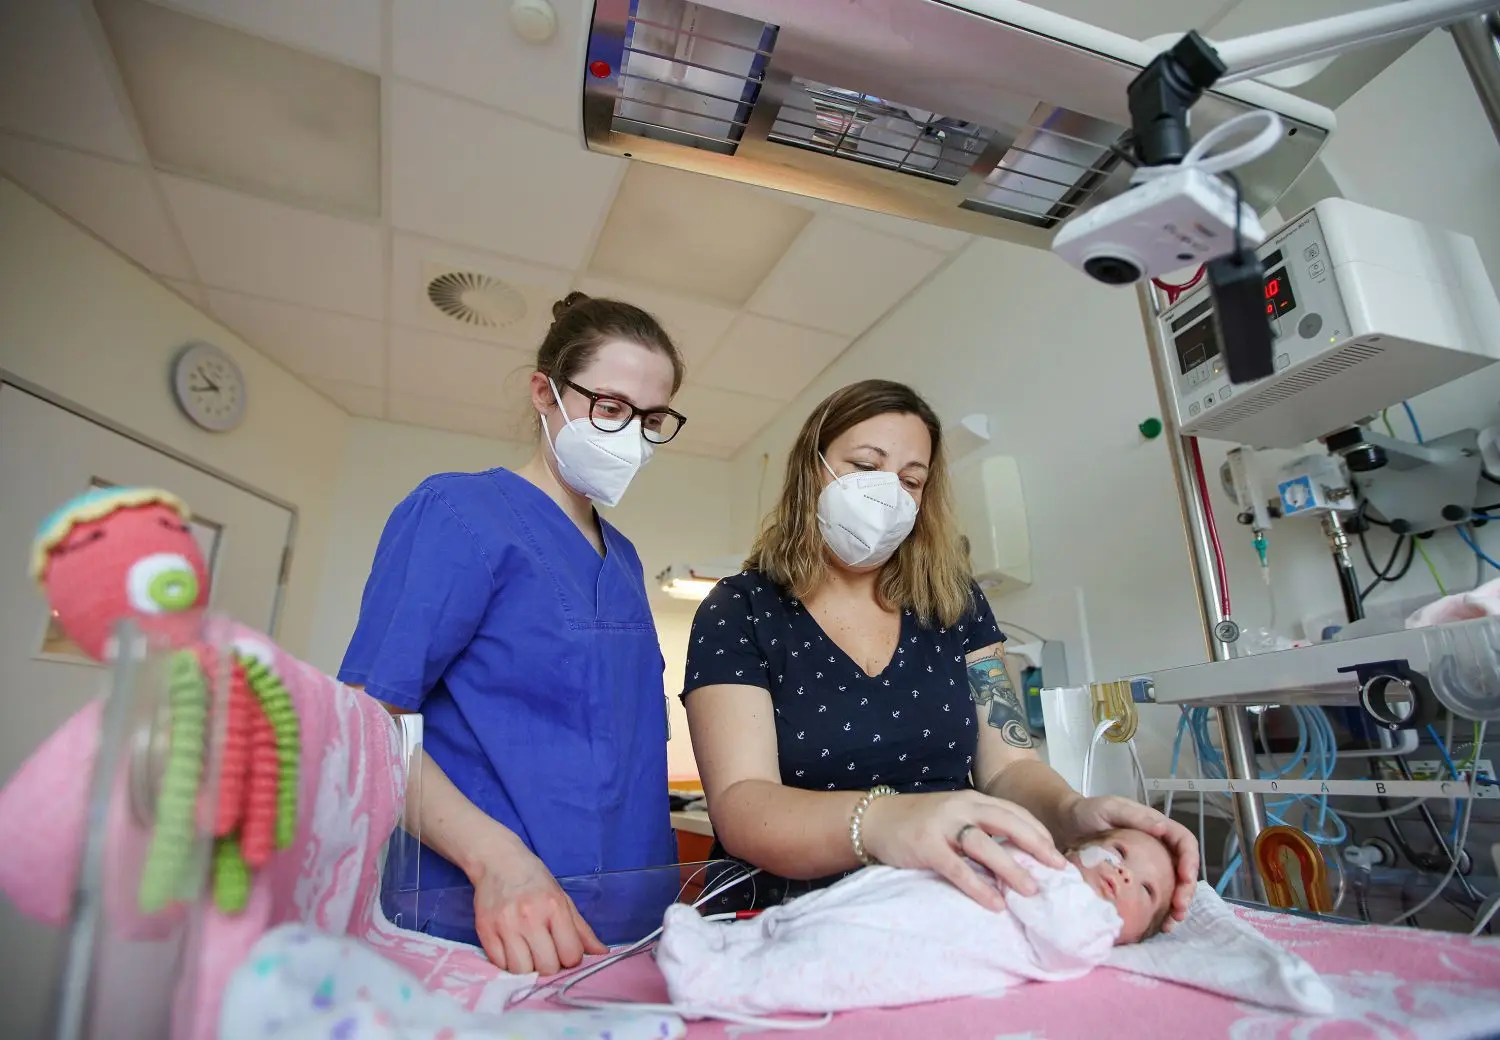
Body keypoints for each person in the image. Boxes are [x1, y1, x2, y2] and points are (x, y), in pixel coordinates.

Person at [682, 378, 1199, 922]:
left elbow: (1009, 765)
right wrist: (885, 822)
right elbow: (743, 802)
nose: (888, 493)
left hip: (955, 907)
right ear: (813, 468)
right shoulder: (740, 610)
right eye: (864, 467)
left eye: (910, 479)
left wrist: (1071, 811)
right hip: (788, 915)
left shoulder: (955, 604)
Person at [339, 292, 689, 975]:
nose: (630, 435)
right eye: (610, 408)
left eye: (650, 420)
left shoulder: (623, 560)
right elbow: (369, 720)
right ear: (544, 392)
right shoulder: (459, 513)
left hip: (630, 925)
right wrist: (497, 862)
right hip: (482, 922)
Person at [653, 827, 1175, 1017]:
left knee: (824, 961)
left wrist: (1042, 867)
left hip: (913, 945)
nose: (1124, 873)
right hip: (899, 896)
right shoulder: (1044, 858)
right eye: (1120, 851)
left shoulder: (1088, 928)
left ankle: (715, 984)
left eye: (1146, 890)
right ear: (1081, 846)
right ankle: (729, 943)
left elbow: (1063, 929)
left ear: (1132, 935)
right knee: (809, 921)